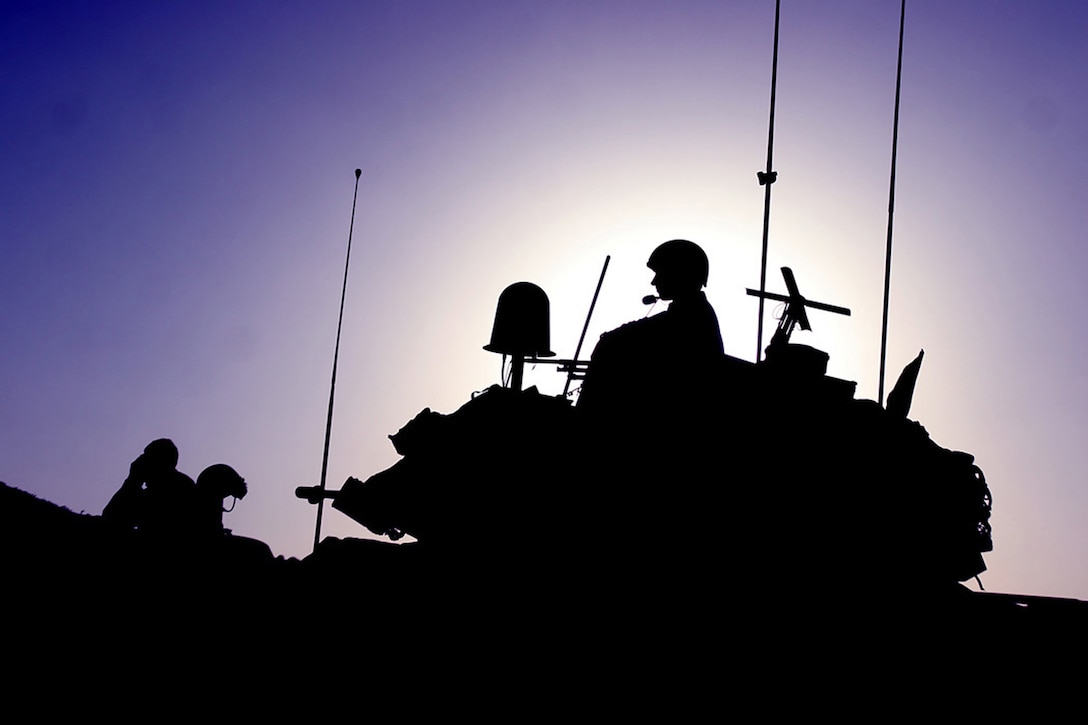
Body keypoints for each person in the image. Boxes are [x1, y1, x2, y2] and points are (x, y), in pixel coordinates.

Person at [576, 239, 724, 419]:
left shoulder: (691, 316)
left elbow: (624, 339)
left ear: (679, 273)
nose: (654, 282)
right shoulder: (692, 312)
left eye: (660, 273)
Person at [102, 438, 198, 540]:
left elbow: (111, 519)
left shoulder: (180, 486)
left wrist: (133, 480)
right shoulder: (147, 492)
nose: (140, 460)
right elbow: (110, 518)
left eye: (146, 457)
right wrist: (133, 481)